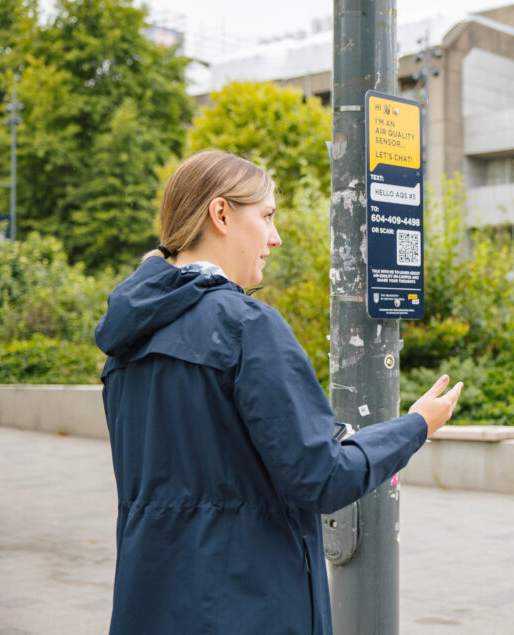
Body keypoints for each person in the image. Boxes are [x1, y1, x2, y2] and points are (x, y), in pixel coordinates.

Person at [94, 149, 462, 634]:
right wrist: (416, 426)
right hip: (250, 605)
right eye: (266, 216)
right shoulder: (247, 326)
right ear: (221, 213)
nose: (275, 237)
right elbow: (322, 479)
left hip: (150, 603)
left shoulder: (125, 345)